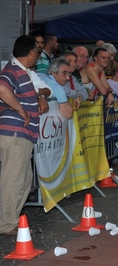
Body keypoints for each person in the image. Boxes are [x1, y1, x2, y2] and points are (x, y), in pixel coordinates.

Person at [0, 35, 45, 236]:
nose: (38, 55)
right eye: (37, 51)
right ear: (31, 53)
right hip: (15, 133)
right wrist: (20, 110)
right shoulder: (12, 70)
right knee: (13, 180)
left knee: (24, 179)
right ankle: (7, 224)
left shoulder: (21, 72)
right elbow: (1, 88)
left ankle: (11, 219)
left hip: (22, 134)